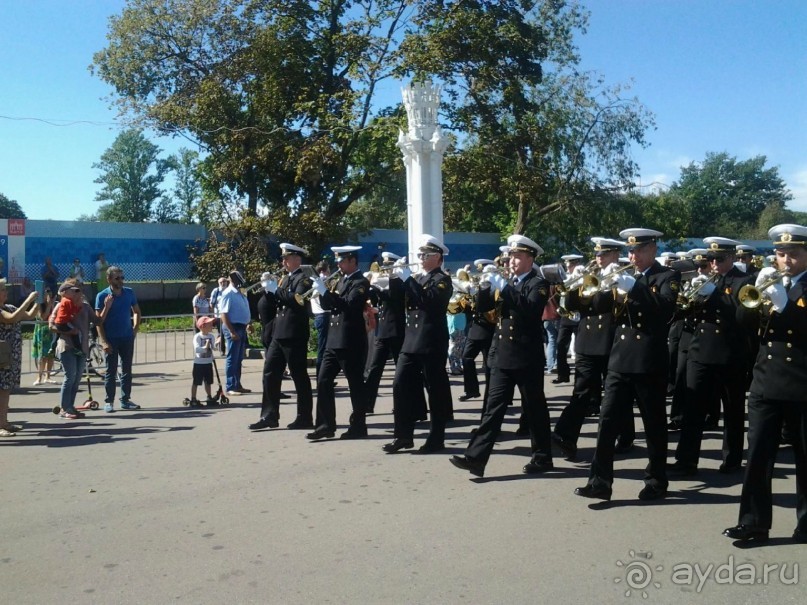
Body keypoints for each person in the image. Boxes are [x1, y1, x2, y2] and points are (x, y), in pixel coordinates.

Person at [574, 228, 680, 501]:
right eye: (631, 251)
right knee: (606, 423)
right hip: (619, 360)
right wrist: (583, 287)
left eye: (640, 250)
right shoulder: (622, 276)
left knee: (654, 426)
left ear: (653, 249)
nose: (634, 256)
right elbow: (597, 307)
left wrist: (635, 288)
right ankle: (599, 481)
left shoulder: (667, 276)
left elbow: (666, 309)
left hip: (648, 361)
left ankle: (656, 481)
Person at [724, 223, 807, 544]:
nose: (785, 260)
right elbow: (744, 324)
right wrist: (752, 299)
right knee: (758, 456)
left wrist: (785, 304)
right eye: (780, 253)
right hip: (765, 382)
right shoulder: (771, 282)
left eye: (793, 254)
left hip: (801, 383)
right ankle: (753, 522)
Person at [450, 234, 552, 477]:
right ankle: (475, 458)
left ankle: (542, 457)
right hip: (503, 355)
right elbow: (484, 308)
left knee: (535, 409)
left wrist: (504, 287)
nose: (511, 261)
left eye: (517, 256)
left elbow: (529, 310)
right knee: (493, 409)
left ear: (530, 258)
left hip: (527, 356)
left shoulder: (538, 284)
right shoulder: (508, 282)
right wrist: (484, 287)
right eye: (510, 256)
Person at [670, 237, 752, 476]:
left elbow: (741, 315)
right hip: (700, 350)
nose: (713, 263)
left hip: (730, 353)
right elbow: (687, 314)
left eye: (719, 259)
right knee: (693, 407)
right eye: (711, 259)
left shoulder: (744, 281)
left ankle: (732, 458)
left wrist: (714, 294)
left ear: (732, 258)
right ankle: (686, 460)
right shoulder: (705, 279)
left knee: (733, 410)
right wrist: (687, 302)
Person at [553, 237, 626, 460]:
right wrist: (574, 285)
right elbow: (571, 307)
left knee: (617, 394)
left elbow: (620, 307)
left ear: (615, 255)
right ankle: (565, 435)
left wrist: (617, 284)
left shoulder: (623, 276)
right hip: (586, 340)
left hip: (610, 340)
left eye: (603, 254)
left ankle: (626, 435)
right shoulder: (589, 275)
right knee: (581, 393)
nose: (598, 258)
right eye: (597, 254)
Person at [383, 234, 454, 454]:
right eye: (420, 254)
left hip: (431, 342)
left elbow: (427, 301)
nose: (421, 258)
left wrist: (407, 279)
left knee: (435, 390)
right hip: (411, 341)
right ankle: (403, 435)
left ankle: (436, 438)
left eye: (426, 255)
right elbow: (396, 302)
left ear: (438, 258)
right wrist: (393, 278)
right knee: (400, 385)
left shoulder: (443, 280)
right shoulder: (418, 278)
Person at [307, 245, 371, 440]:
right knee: (323, 380)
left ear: (353, 261)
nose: (339, 265)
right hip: (334, 339)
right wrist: (322, 291)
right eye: (338, 262)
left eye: (342, 261)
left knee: (355, 384)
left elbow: (350, 306)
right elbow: (328, 306)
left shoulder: (360, 282)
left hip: (350, 340)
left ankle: (359, 426)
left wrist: (326, 292)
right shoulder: (341, 281)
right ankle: (325, 425)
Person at [250, 244, 314, 430]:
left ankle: (304, 417)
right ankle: (269, 415)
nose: (283, 262)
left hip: (294, 333)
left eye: (287, 258)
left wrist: (275, 290)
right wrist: (267, 290)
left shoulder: (304, 280)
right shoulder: (285, 279)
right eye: (283, 258)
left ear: (297, 259)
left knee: (299, 376)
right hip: (279, 333)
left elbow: (297, 300)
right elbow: (276, 302)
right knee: (269, 373)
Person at [95, 266, 142, 412]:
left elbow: (137, 312)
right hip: (111, 339)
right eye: (117, 278)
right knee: (111, 370)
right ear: (109, 279)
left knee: (127, 370)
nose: (121, 280)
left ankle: (125, 400)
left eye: (122, 277)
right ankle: (109, 401)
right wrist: (103, 341)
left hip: (127, 337)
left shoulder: (129, 292)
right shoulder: (102, 296)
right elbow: (98, 322)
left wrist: (135, 329)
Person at [50, 280, 98, 419]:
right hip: (67, 346)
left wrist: (106, 307)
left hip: (82, 348)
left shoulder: (85, 306)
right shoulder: (61, 304)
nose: (79, 291)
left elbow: (97, 321)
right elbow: (52, 325)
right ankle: (65, 408)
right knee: (70, 377)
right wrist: (70, 332)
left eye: (81, 289)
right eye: (76, 289)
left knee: (76, 379)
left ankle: (70, 407)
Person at [0, 280, 38, 436]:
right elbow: (11, 318)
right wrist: (28, 300)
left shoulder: (8, 306)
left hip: (10, 355)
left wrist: (39, 302)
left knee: (6, 390)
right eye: (3, 289)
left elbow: (28, 315)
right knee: (1, 389)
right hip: (1, 356)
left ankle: (4, 422)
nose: (6, 292)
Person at [459, 259, 496, 403]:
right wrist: (466, 296)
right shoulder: (480, 286)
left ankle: (491, 395)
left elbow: (484, 306)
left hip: (489, 329)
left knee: (489, 366)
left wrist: (479, 291)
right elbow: (470, 308)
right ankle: (471, 390)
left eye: (485, 273)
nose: (482, 275)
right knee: (466, 358)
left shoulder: (496, 289)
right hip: (475, 329)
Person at [218, 270, 252, 397]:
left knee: (239, 358)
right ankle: (231, 386)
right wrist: (231, 331)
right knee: (232, 358)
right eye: (239, 278)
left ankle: (237, 384)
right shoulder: (228, 293)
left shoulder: (240, 292)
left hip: (241, 326)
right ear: (233, 279)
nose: (241, 281)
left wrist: (248, 323)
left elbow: (244, 309)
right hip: (233, 327)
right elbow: (223, 314)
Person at [553, 253, 583, 383]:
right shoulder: (565, 278)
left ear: (576, 264)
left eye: (570, 265)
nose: (568, 267)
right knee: (560, 346)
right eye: (567, 265)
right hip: (565, 316)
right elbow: (558, 295)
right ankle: (563, 374)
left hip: (578, 315)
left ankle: (580, 377)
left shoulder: (581, 277)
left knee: (580, 349)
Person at [186, 316, 217, 407]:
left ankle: (209, 396)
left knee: (208, 381)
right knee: (196, 381)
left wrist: (216, 344)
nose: (212, 325)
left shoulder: (211, 336)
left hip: (208, 362)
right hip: (199, 363)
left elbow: (213, 347)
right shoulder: (197, 337)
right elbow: (197, 349)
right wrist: (205, 347)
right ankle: (193, 398)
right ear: (202, 326)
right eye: (209, 324)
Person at [310, 261, 331, 377]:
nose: (330, 273)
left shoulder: (317, 281)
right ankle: (321, 377)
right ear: (323, 271)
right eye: (328, 270)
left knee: (325, 348)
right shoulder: (320, 282)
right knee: (323, 349)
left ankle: (324, 376)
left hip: (321, 316)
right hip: (323, 316)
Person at [31, 292, 57, 386]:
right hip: (42, 332)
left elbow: (53, 316)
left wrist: (52, 304)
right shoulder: (39, 305)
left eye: (50, 294)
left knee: (50, 355)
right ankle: (39, 378)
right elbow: (43, 317)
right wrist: (50, 305)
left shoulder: (52, 304)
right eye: (47, 294)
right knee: (42, 356)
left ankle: (48, 377)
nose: (49, 296)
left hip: (50, 331)